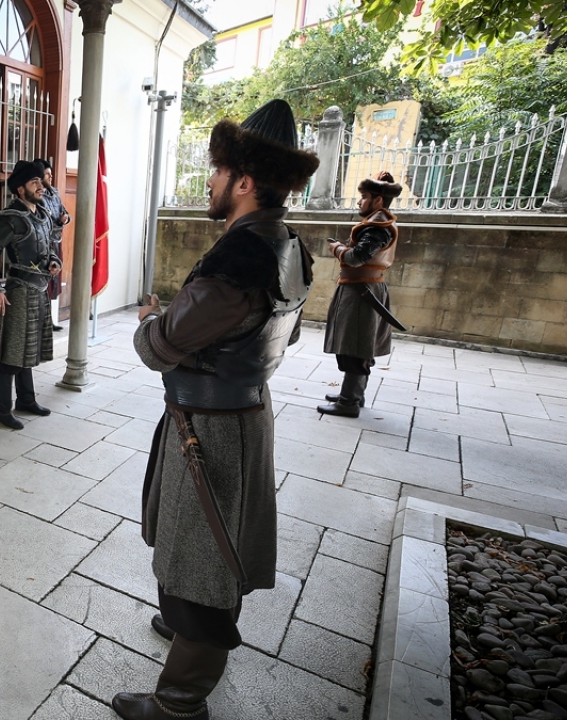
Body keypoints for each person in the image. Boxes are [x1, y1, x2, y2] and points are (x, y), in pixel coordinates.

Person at [116, 99, 318, 720]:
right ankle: (185, 629)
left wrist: (151, 320)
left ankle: (180, 702)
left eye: (217, 170)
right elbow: (288, 335)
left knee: (206, 558)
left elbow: (162, 345)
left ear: (245, 182)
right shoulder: (289, 245)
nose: (209, 181)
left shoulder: (240, 255)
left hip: (213, 431)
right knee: (196, 544)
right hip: (242, 413)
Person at [0, 160, 62, 430]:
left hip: (39, 290)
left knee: (28, 348)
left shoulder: (43, 214)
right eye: (34, 182)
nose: (41, 186)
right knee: (11, 353)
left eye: (41, 181)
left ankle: (26, 400)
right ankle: (2, 410)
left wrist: (52, 261)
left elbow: (49, 246)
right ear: (20, 189)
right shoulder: (11, 217)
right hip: (18, 291)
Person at [318, 171, 404, 418]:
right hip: (360, 288)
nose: (359, 201)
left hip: (362, 291)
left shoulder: (378, 227)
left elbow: (357, 258)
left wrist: (337, 248)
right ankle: (353, 394)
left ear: (377, 200)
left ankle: (349, 402)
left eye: (364, 197)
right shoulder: (377, 223)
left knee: (356, 347)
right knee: (355, 344)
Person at [33, 158, 70, 331]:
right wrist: (58, 222)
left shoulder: (54, 193)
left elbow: (64, 212)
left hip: (56, 242)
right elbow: (43, 220)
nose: (50, 177)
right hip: (43, 243)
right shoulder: (36, 196)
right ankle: (42, 321)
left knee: (54, 281)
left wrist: (65, 218)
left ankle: (50, 320)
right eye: (47, 174)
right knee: (43, 281)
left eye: (51, 174)